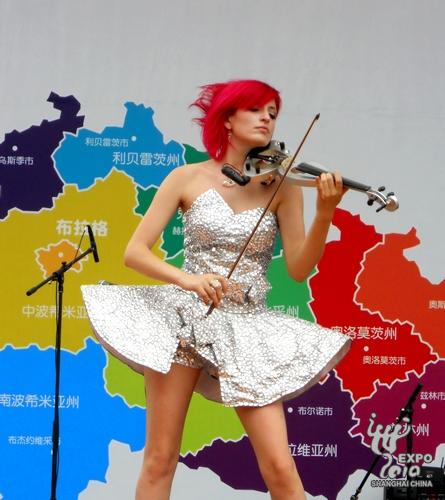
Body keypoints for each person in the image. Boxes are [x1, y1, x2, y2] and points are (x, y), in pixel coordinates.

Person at [81, 79, 351, 500]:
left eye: (273, 113)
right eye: (256, 110)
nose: (267, 119)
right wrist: (188, 280)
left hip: (247, 327)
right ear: (227, 119)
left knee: (280, 467)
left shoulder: (282, 187)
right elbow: (134, 253)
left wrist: (325, 212)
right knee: (160, 459)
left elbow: (299, 269)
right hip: (185, 323)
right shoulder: (186, 177)